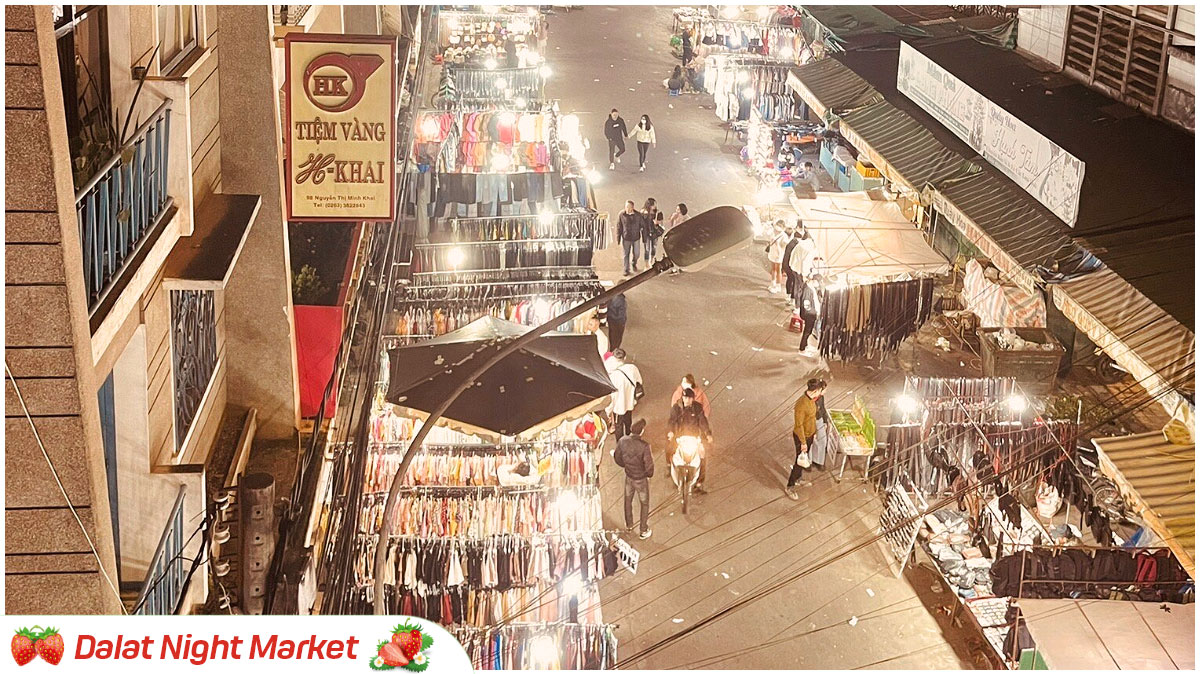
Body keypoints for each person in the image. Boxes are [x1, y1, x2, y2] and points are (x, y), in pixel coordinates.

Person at [613, 418, 654, 539]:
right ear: (641, 431)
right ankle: (643, 529)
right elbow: (649, 466)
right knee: (644, 503)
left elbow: (617, 457)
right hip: (640, 479)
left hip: (629, 477)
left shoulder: (622, 441)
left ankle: (629, 525)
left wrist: (626, 466)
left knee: (627, 500)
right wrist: (648, 474)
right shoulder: (644, 446)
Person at [786, 379, 826, 500]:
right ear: (815, 391)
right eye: (820, 391)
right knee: (799, 462)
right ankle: (790, 486)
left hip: (809, 435)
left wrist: (813, 433)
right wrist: (803, 442)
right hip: (801, 437)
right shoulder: (801, 404)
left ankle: (798, 479)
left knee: (804, 459)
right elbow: (799, 426)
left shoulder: (812, 400)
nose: (821, 393)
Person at [667, 387, 713, 492]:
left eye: (689, 398)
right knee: (669, 450)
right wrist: (670, 432)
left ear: (692, 399)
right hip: (679, 438)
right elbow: (671, 421)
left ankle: (699, 482)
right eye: (685, 398)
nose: (687, 400)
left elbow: (703, 421)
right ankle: (669, 468)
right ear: (682, 398)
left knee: (702, 456)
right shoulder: (676, 408)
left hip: (694, 438)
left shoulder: (698, 408)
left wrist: (707, 433)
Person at [606, 348, 642, 440]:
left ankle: (621, 444)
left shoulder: (613, 376)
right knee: (628, 419)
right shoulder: (632, 368)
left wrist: (608, 411)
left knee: (618, 426)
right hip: (630, 402)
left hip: (618, 407)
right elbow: (639, 382)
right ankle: (629, 434)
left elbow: (612, 397)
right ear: (624, 358)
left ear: (614, 358)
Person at [797, 274, 822, 355]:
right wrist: (812, 312)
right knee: (807, 331)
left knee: (808, 331)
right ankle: (802, 349)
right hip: (809, 314)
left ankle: (805, 345)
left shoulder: (811, 288)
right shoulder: (808, 289)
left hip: (811, 313)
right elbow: (806, 303)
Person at [617, 200, 643, 276]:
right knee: (626, 254)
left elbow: (642, 225)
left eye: (629, 207)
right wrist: (618, 238)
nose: (627, 208)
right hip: (626, 238)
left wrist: (644, 237)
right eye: (626, 207)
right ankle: (626, 269)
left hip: (636, 238)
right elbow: (619, 226)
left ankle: (634, 262)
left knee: (637, 253)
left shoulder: (638, 215)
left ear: (632, 207)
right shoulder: (622, 214)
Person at [766, 220, 789, 294]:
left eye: (780, 225)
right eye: (777, 225)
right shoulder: (773, 232)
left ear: (783, 227)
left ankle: (778, 285)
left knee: (778, 269)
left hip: (779, 255)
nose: (778, 227)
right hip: (772, 253)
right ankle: (773, 283)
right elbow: (767, 235)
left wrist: (777, 244)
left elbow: (784, 246)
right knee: (773, 269)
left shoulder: (784, 236)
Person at [780, 225, 801, 300]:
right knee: (793, 281)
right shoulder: (795, 245)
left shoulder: (791, 243)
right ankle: (791, 297)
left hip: (786, 264)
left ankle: (788, 295)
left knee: (789, 279)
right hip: (790, 265)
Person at [641, 197, 661, 265]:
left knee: (654, 248)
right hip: (646, 233)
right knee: (647, 249)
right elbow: (641, 222)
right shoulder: (643, 212)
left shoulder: (657, 212)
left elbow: (661, 221)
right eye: (654, 204)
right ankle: (646, 264)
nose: (655, 206)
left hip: (654, 232)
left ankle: (651, 261)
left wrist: (657, 222)